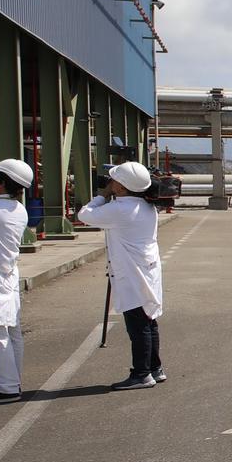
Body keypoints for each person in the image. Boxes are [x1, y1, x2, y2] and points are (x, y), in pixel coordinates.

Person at [76, 161, 166, 390]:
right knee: (148, 320)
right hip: (145, 269)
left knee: (138, 325)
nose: (110, 183)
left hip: (132, 273)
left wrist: (102, 195)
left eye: (113, 180)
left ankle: (142, 374)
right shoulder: (146, 206)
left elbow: (85, 215)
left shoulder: (120, 209)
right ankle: (155, 368)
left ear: (122, 186)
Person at [0, 159, 31, 401]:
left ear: (2, 182)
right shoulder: (19, 209)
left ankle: (6, 387)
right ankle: (13, 380)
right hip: (7, 274)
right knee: (13, 330)